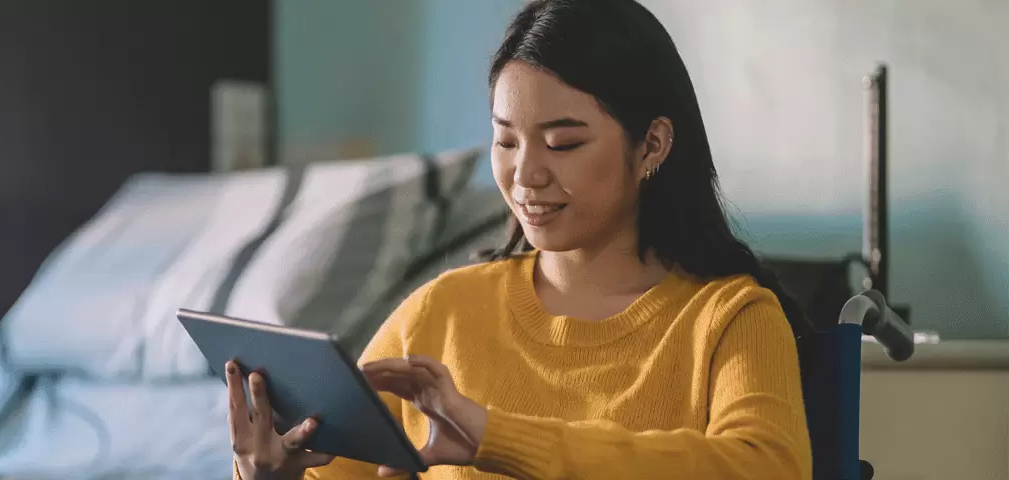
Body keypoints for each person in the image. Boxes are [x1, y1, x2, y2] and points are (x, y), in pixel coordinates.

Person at [227, 0, 814, 478]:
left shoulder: (731, 317)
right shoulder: (443, 311)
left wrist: (495, 437)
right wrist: (270, 476)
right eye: (506, 141)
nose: (525, 174)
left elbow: (765, 468)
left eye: (563, 143)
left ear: (652, 146)